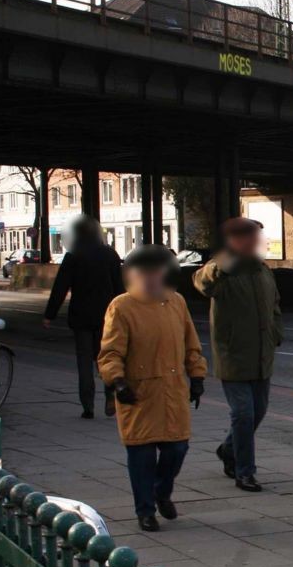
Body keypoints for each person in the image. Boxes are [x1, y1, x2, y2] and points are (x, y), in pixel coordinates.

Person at [98, 245, 206, 532]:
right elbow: (110, 353)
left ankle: (161, 491)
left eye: (155, 272)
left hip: (172, 392)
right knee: (142, 456)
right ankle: (145, 510)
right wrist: (118, 382)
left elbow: (190, 344)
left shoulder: (176, 302)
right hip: (139, 394)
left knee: (177, 448)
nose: (150, 278)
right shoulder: (121, 307)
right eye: (143, 273)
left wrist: (197, 376)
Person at [193, 217, 283, 492]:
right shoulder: (224, 269)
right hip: (233, 354)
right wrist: (227, 258)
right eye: (252, 237)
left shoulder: (262, 271)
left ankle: (228, 450)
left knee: (258, 412)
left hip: (261, 355)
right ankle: (245, 472)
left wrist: (275, 333)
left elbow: (275, 305)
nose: (258, 242)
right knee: (243, 413)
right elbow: (202, 282)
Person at [43, 215, 125, 419]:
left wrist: (49, 315)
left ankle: (88, 406)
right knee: (106, 357)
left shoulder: (73, 256)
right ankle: (109, 393)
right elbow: (119, 288)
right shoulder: (110, 255)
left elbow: (60, 288)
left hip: (81, 317)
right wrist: (124, 315)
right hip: (107, 316)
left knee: (84, 362)